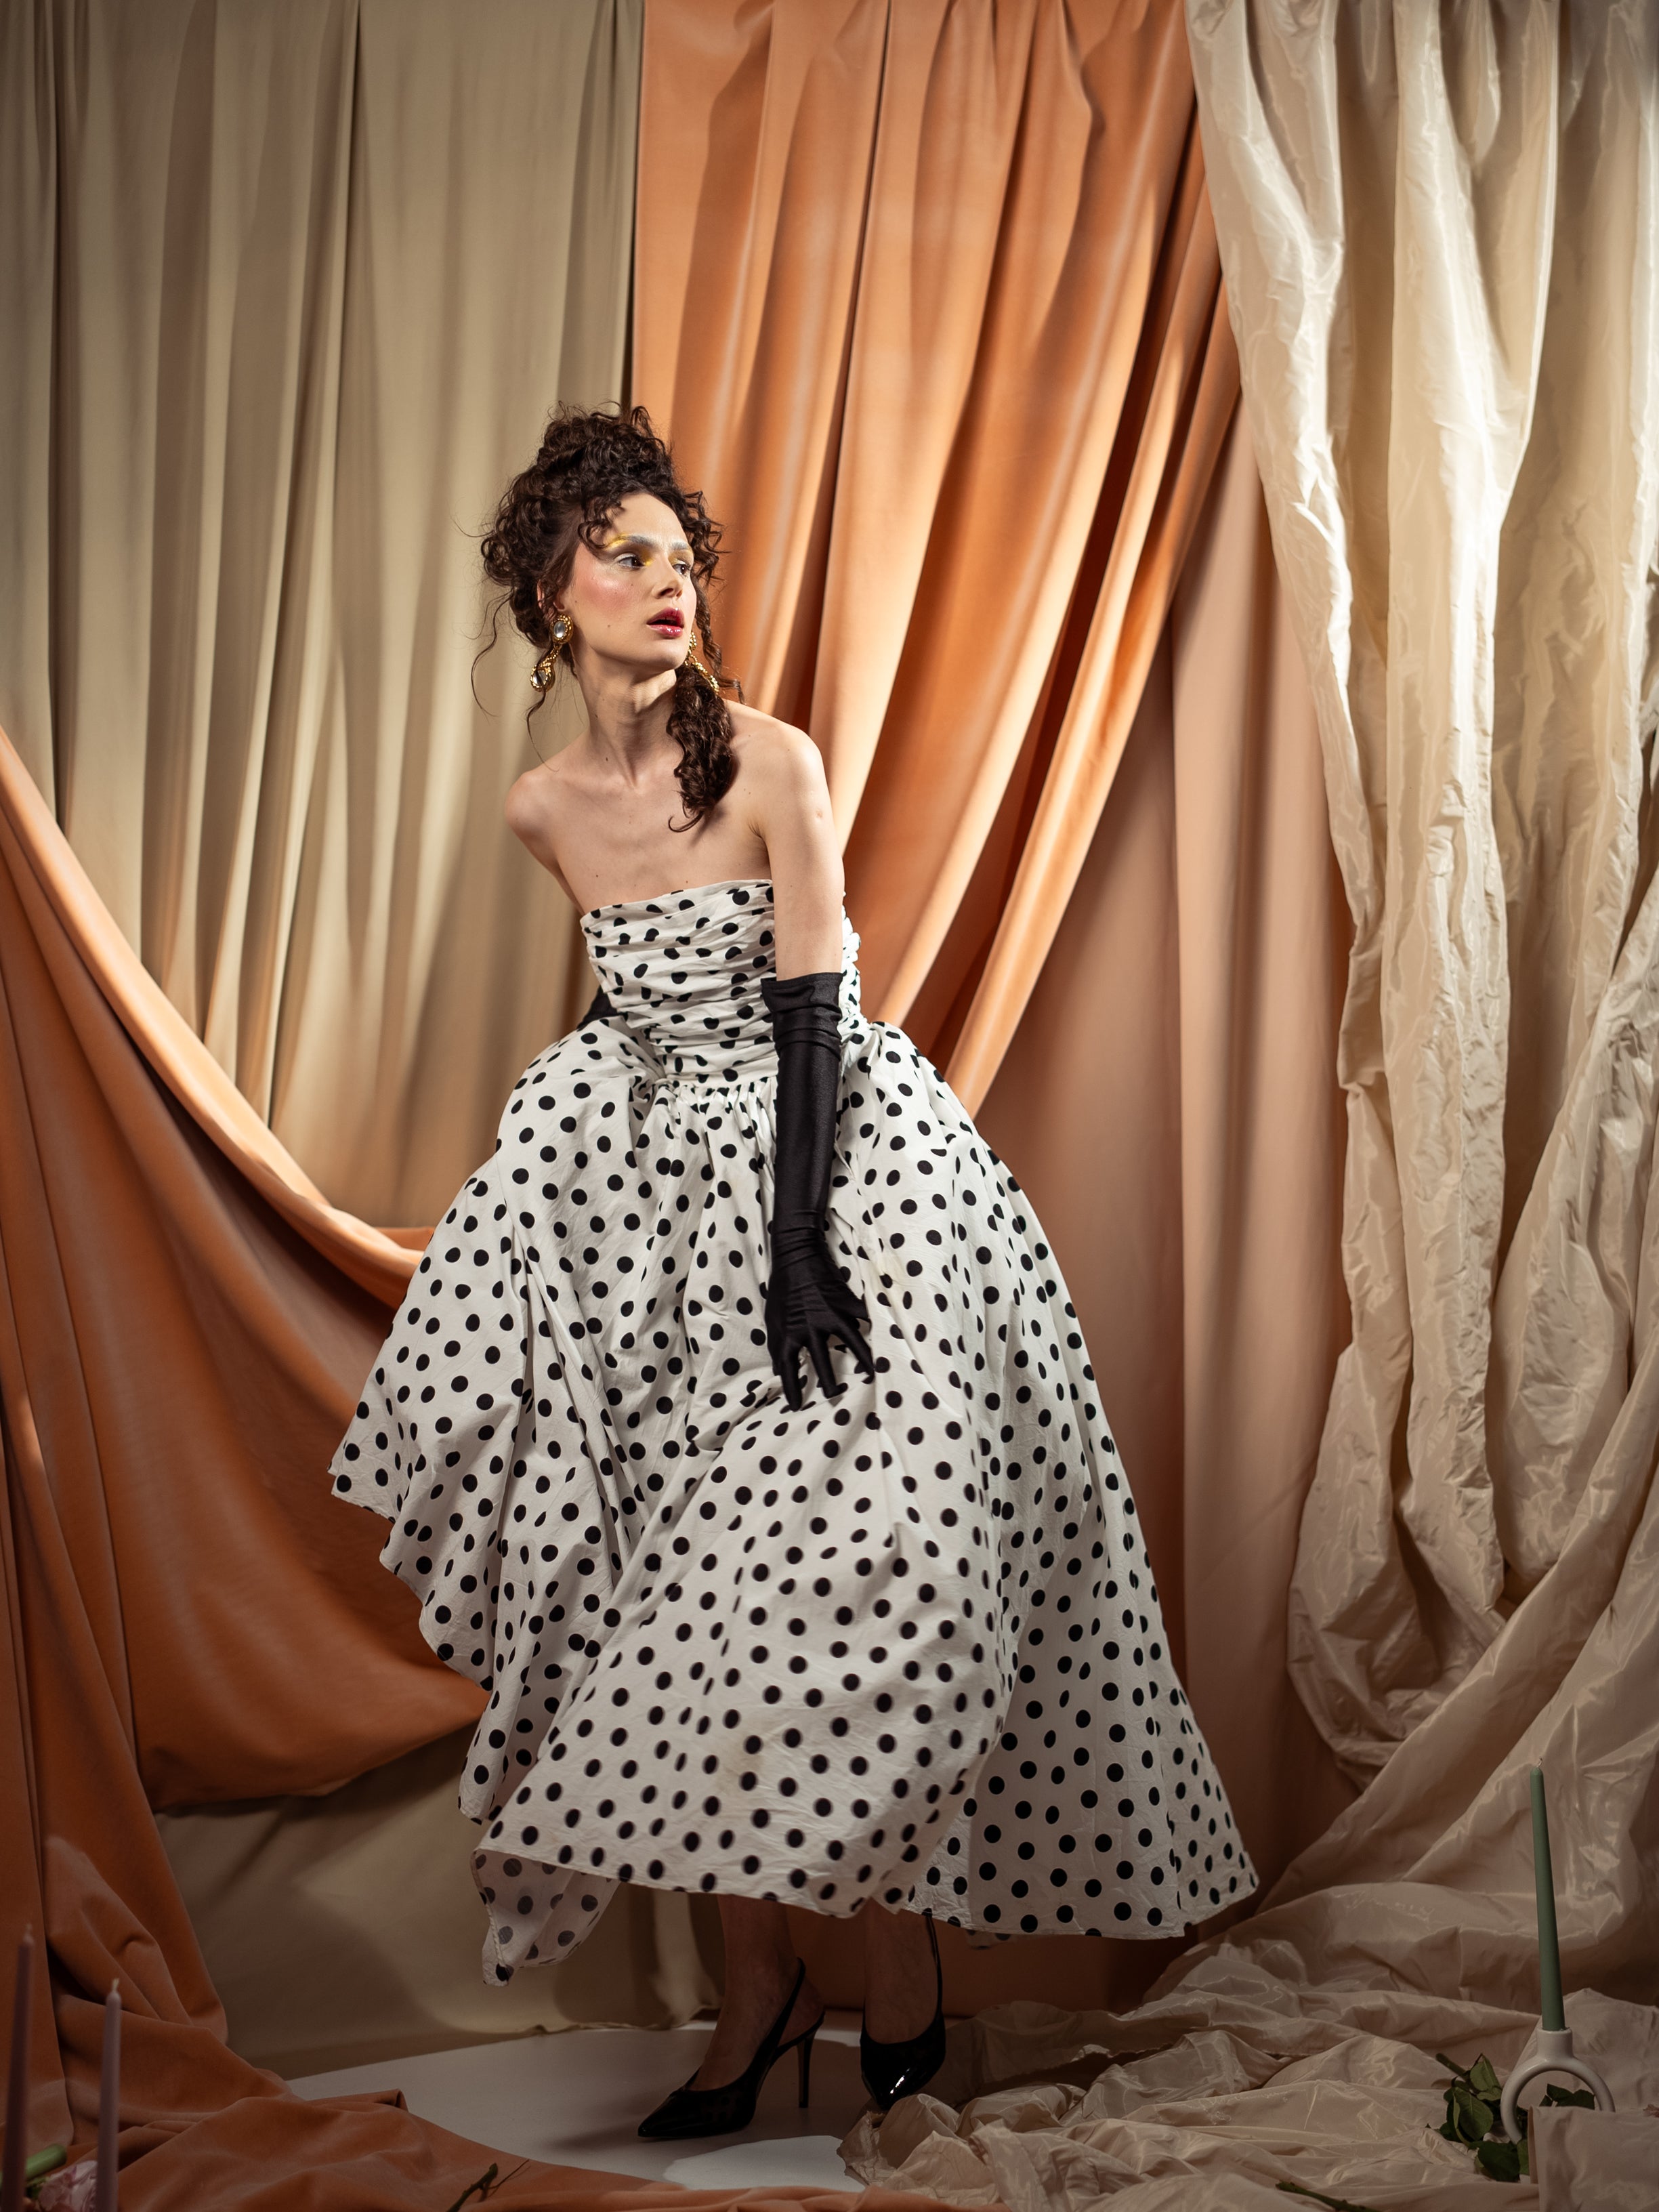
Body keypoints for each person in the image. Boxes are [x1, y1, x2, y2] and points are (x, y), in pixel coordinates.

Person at [330, 406, 1255, 2140]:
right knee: (672, 1595)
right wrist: (583, 1195)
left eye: (680, 559)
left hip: (839, 1170)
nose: (664, 584)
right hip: (648, 1195)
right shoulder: (540, 807)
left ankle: (896, 1973)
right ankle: (755, 1992)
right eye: (623, 556)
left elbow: (812, 1007)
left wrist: (801, 1248)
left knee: (866, 1586)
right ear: (550, 593)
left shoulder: (771, 763)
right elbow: (635, 997)